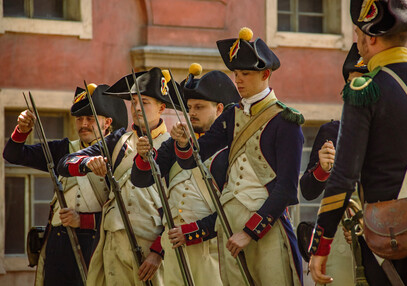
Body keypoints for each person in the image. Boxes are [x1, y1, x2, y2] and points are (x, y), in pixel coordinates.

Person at [170, 27, 304, 285]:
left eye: (245, 73)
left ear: (265, 74)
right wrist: (185, 142)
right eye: (236, 73)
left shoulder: (286, 120)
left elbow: (286, 189)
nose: (238, 80)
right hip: (228, 222)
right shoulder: (232, 115)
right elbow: (194, 157)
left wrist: (250, 232)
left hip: (265, 225)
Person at [308, 0, 407, 285]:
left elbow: (343, 177)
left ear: (370, 37)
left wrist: (322, 243)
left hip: (391, 239)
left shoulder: (366, 89)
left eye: (358, 34)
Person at [57, 67, 179, 286]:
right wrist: (87, 163)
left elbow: (178, 209)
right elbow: (65, 164)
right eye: (133, 101)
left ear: (161, 107)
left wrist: (158, 252)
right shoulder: (117, 141)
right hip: (112, 243)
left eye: (145, 102)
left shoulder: (174, 149)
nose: (137, 108)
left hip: (150, 248)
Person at [2, 84, 127, 286]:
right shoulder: (64, 149)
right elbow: (13, 154)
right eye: (79, 119)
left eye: (90, 119)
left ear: (107, 123)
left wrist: (83, 221)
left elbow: (124, 211)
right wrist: (22, 130)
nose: (83, 124)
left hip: (96, 244)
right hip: (58, 243)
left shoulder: (119, 155)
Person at [132, 66, 240, 285]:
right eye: (189, 107)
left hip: (212, 249)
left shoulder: (231, 149)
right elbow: (142, 179)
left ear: (219, 109)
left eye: (199, 107)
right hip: (174, 248)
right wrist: (144, 155)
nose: (191, 113)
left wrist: (193, 232)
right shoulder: (174, 144)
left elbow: (234, 208)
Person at [298, 43, 368, 286]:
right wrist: (322, 169)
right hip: (336, 234)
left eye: (362, 81)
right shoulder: (331, 131)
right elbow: (308, 190)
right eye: (351, 81)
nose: (354, 88)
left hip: (380, 233)